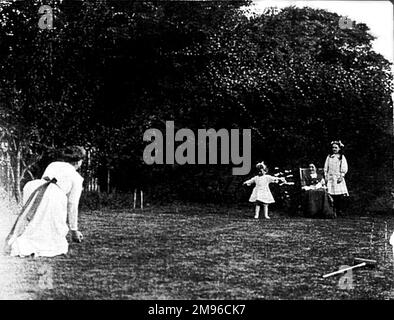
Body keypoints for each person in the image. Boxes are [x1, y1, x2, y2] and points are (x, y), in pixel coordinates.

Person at [5, 146, 85, 257]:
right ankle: (39, 244)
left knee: (34, 219)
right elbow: (72, 204)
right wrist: (74, 230)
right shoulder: (77, 177)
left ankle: (24, 240)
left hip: (34, 188)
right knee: (50, 224)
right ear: (78, 162)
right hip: (52, 193)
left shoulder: (53, 164)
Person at [324, 140, 349, 216]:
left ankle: (339, 210)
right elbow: (326, 167)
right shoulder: (329, 157)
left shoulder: (341, 157)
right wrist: (326, 176)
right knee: (330, 194)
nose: (334, 149)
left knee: (339, 195)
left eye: (336, 148)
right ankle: (332, 210)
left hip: (338, 178)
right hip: (330, 178)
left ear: (339, 149)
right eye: (333, 147)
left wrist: (342, 176)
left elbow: (344, 167)